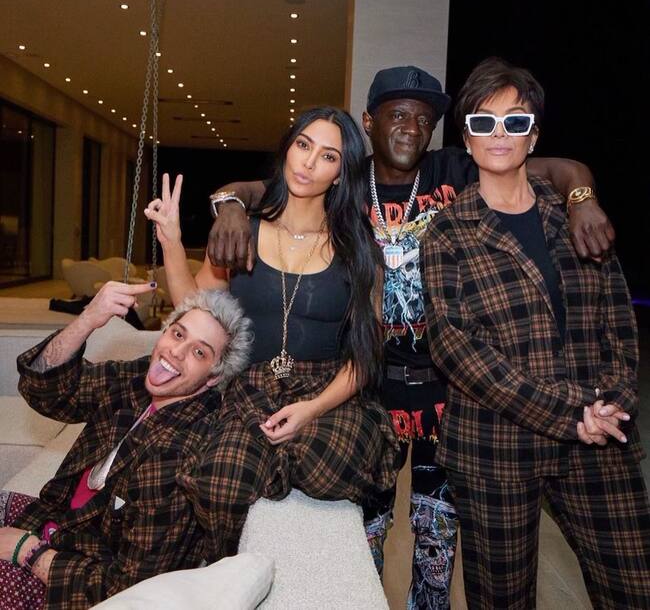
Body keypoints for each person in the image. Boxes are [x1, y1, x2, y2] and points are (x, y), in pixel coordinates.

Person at [197, 66, 616, 608]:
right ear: (369, 121)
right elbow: (258, 188)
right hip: (370, 386)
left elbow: (562, 169)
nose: (411, 128)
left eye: (423, 119)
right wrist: (230, 208)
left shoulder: (456, 169)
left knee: (437, 534)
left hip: (446, 387)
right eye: (397, 115)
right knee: (364, 532)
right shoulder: (345, 178)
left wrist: (581, 198)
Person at [420, 57, 650, 609]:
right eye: (484, 122)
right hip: (495, 448)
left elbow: (619, 323)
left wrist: (614, 403)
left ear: (534, 136)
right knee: (502, 599)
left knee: (635, 587)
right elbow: (457, 349)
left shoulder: (576, 218)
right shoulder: (446, 233)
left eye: (516, 121)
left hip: (600, 436)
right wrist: (572, 412)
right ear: (467, 140)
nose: (500, 134)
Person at [145, 106, 400, 562]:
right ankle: (228, 573)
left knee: (332, 458)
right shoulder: (241, 230)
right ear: (287, 150)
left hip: (327, 392)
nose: (309, 162)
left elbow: (366, 356)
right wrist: (171, 241)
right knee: (221, 482)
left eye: (328, 156)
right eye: (303, 145)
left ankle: (275, 471)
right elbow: (196, 311)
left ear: (341, 173)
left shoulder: (358, 248)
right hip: (252, 388)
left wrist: (310, 410)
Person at [0, 281, 253, 610]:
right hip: (56, 521)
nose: (176, 352)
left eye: (199, 352)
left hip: (72, 580)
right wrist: (89, 318)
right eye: (178, 334)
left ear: (213, 377)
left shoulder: (178, 458)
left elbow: (127, 589)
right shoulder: (136, 381)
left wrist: (29, 552)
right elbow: (43, 388)